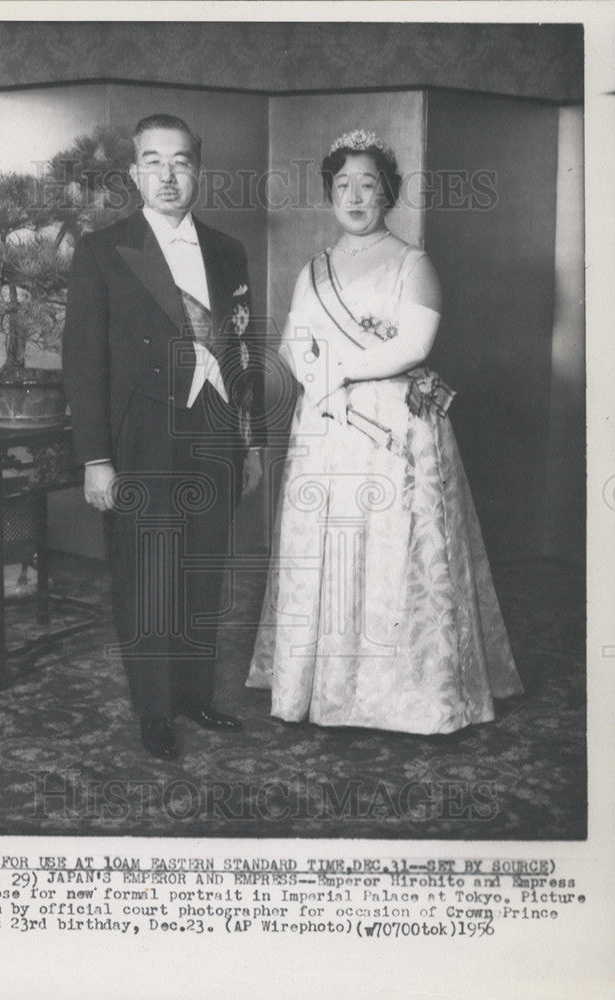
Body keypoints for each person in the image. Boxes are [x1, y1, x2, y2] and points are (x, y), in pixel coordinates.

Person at [246, 128, 523, 734]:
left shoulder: (412, 263)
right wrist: (322, 388)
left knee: (391, 551)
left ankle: (403, 695)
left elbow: (414, 344)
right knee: (331, 548)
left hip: (392, 425)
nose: (354, 195)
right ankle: (320, 690)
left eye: (368, 184)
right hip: (326, 425)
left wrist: (337, 374)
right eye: (343, 184)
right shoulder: (313, 269)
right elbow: (295, 345)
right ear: (329, 194)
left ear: (388, 193)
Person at [63, 114, 264, 760]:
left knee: (202, 571)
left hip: (214, 432)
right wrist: (96, 458)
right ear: (134, 173)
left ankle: (193, 695)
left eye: (181, 162)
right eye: (154, 162)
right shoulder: (103, 250)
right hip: (141, 438)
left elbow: (242, 353)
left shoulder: (228, 249)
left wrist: (252, 440)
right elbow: (82, 362)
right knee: (148, 576)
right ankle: (155, 712)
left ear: (198, 170)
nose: (168, 175)